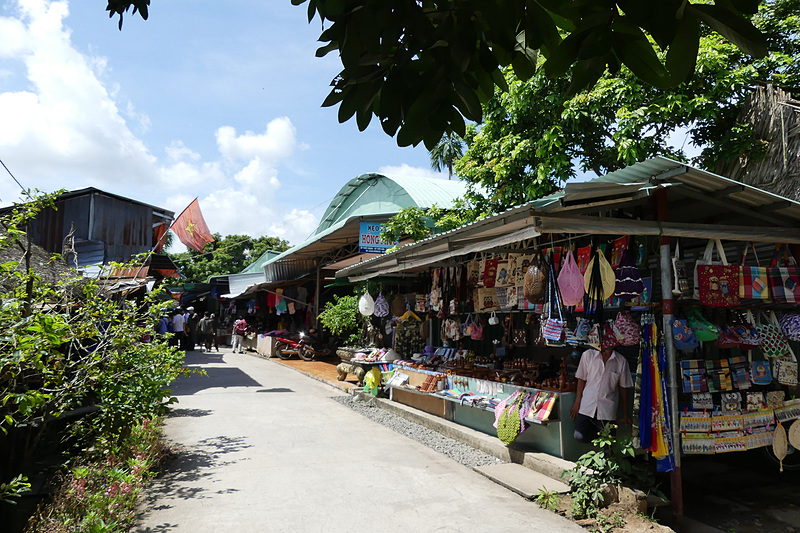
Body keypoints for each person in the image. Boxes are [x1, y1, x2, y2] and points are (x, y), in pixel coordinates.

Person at [569, 340, 633, 443]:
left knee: (608, 441)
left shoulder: (621, 361)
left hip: (607, 407)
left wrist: (625, 412)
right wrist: (577, 402)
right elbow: (581, 379)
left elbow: (623, 388)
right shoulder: (588, 355)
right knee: (580, 436)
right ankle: (612, 425)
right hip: (587, 404)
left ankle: (609, 433)